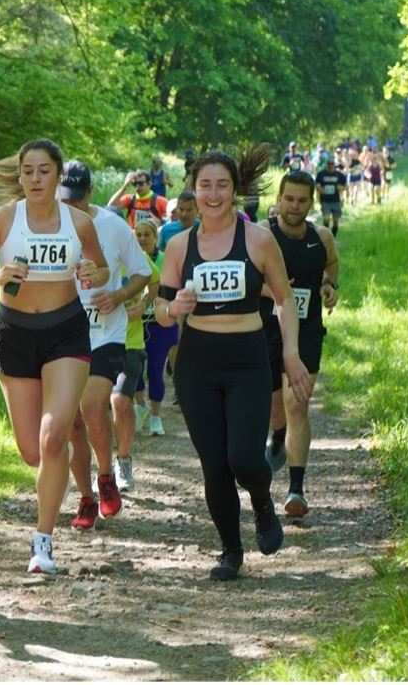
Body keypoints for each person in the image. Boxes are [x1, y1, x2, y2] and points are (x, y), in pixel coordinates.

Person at [154, 146, 313, 582]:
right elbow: (161, 309)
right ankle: (230, 550)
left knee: (243, 457)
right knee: (215, 466)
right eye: (205, 185)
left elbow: (284, 300)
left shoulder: (258, 240)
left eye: (221, 185)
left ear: (234, 189)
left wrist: (290, 353)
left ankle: (261, 501)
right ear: (193, 189)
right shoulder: (179, 245)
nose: (213, 194)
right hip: (197, 364)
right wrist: (173, 308)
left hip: (247, 359)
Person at [0, 138, 109, 574]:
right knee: (31, 451)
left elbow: (101, 268)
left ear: (59, 176)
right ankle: (59, 487)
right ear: (20, 176)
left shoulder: (79, 223)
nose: (36, 179)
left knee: (52, 437)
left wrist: (93, 272)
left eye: (45, 171)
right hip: (15, 335)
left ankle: (43, 542)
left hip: (66, 333)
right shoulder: (4, 219)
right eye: (28, 171)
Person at [57, 160, 151, 530]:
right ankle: (85, 498)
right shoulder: (44, 227)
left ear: (91, 193)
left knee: (94, 405)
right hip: (61, 335)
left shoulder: (112, 226)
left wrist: (118, 295)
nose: (71, 207)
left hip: (105, 334)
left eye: (77, 200)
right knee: (71, 424)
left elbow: (142, 272)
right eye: (65, 200)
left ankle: (107, 476)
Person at [259, 172, 339, 519]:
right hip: (265, 328)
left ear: (311, 202)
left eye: (302, 200)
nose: (294, 206)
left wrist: (330, 284)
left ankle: (296, 489)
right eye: (289, 199)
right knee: (273, 407)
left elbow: (331, 264)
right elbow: (247, 276)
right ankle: (278, 434)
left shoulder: (321, 237)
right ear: (278, 199)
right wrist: (276, 292)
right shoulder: (262, 234)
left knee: (297, 403)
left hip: (307, 331)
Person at [112, 218, 163, 490]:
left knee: (121, 401)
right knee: (94, 408)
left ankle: (123, 461)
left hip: (130, 343)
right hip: (94, 343)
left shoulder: (134, 256)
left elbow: (155, 280)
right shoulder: (84, 256)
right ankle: (103, 467)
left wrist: (143, 303)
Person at [134, 218, 177, 437]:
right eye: (138, 235)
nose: (142, 239)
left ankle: (156, 416)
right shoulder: (129, 258)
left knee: (155, 370)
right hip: (136, 323)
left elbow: (174, 287)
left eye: (146, 235)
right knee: (134, 369)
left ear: (155, 237)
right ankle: (140, 405)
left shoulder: (165, 259)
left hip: (160, 323)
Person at [314, 158, 347, 236]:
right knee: (326, 219)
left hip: (336, 201)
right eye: (329, 163)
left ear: (334, 165)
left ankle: (333, 236)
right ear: (326, 164)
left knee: (335, 221)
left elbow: (346, 186)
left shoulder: (339, 175)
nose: (330, 165)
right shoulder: (321, 174)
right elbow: (317, 185)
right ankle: (326, 234)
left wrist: (341, 188)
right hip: (325, 200)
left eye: (332, 163)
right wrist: (320, 189)